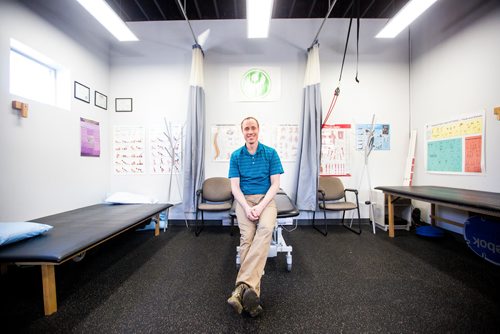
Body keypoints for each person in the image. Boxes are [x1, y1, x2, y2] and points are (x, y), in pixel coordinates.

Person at [226, 116, 284, 317]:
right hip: (244, 201)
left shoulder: (270, 153)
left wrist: (260, 207)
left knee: (266, 229)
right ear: (242, 132)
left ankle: (240, 289)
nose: (250, 132)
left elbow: (275, 185)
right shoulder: (236, 155)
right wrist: (247, 206)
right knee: (247, 239)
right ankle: (252, 298)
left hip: (266, 200)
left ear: (259, 129)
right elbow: (235, 187)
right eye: (246, 129)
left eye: (253, 128)